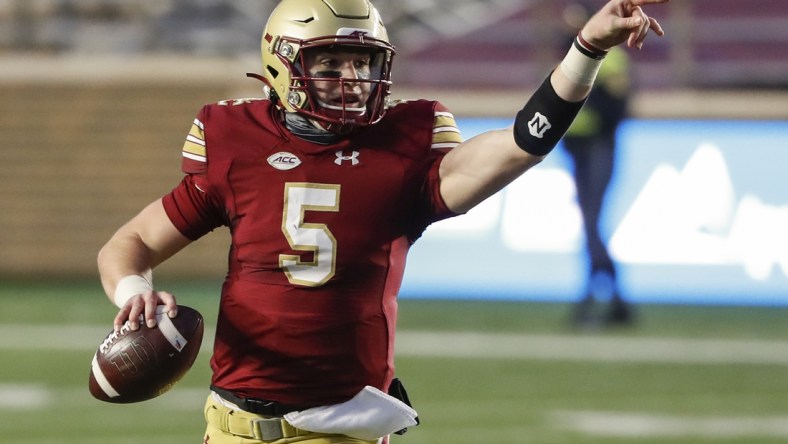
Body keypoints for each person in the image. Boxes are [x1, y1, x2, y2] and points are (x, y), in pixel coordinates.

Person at [97, 0, 667, 442]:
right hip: (226, 423)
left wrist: (586, 48)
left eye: (362, 61)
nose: (351, 77)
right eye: (329, 61)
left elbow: (521, 144)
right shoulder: (237, 144)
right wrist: (133, 291)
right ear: (282, 63)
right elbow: (133, 241)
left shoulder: (404, 147)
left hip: (338, 424)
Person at [561, 3, 635, 328]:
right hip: (582, 148)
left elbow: (617, 105)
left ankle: (594, 300)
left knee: (591, 223)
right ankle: (616, 300)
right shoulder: (571, 55)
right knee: (591, 224)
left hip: (598, 147)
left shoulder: (612, 58)